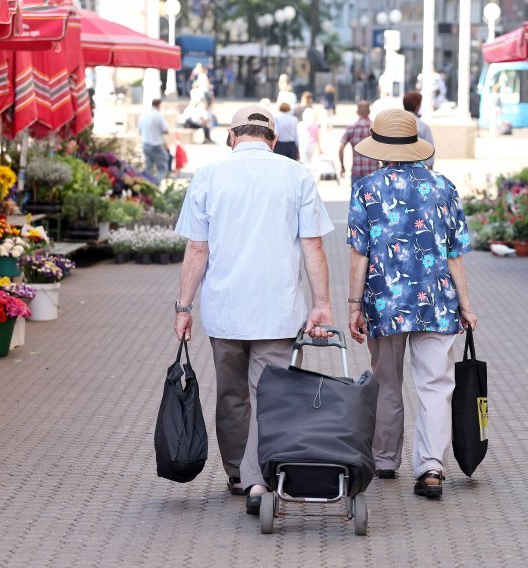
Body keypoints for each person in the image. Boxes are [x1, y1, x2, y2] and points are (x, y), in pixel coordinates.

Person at [173, 104, 335, 515]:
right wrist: (322, 304)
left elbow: (197, 248)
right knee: (271, 394)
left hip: (225, 310)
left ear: (231, 137)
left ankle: (236, 474)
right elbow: (312, 244)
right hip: (278, 309)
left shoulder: (209, 175)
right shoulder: (296, 174)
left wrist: (183, 307)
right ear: (274, 139)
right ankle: (259, 478)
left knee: (231, 394)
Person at [346, 109, 477, 498]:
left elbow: (359, 255)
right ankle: (431, 468)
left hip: (385, 303)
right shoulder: (443, 186)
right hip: (437, 302)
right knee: (436, 385)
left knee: (386, 381)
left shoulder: (366, 189)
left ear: (380, 149)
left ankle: (385, 459)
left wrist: (353, 306)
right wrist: (466, 305)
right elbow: (455, 254)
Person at [339, 101, 380, 187]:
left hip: (357, 172)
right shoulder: (376, 128)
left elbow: (341, 148)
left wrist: (342, 166)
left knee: (357, 199)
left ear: (357, 112)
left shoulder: (351, 128)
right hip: (374, 172)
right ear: (369, 111)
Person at [137, 98, 170, 183]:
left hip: (146, 144)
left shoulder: (144, 115)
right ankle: (156, 184)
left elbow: (139, 131)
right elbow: (166, 130)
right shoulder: (158, 115)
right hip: (156, 145)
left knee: (149, 168)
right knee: (162, 167)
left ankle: (148, 186)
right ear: (159, 105)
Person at [402, 91, 435, 169]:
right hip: (418, 170)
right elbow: (429, 154)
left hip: (396, 171)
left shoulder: (395, 124)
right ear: (417, 106)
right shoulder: (423, 127)